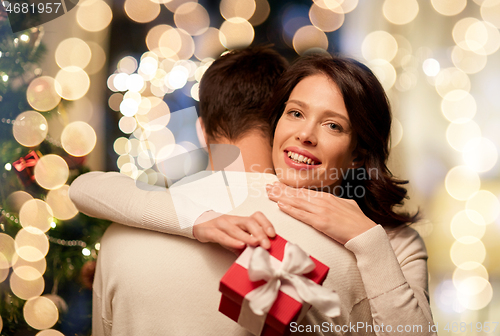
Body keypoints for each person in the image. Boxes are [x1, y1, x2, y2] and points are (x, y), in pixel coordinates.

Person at [71, 51, 435, 335]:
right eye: (295, 113)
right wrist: (201, 221)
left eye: (333, 125)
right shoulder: (185, 208)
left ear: (358, 151)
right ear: (273, 123)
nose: (305, 134)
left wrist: (367, 238)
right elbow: (90, 189)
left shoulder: (390, 243)